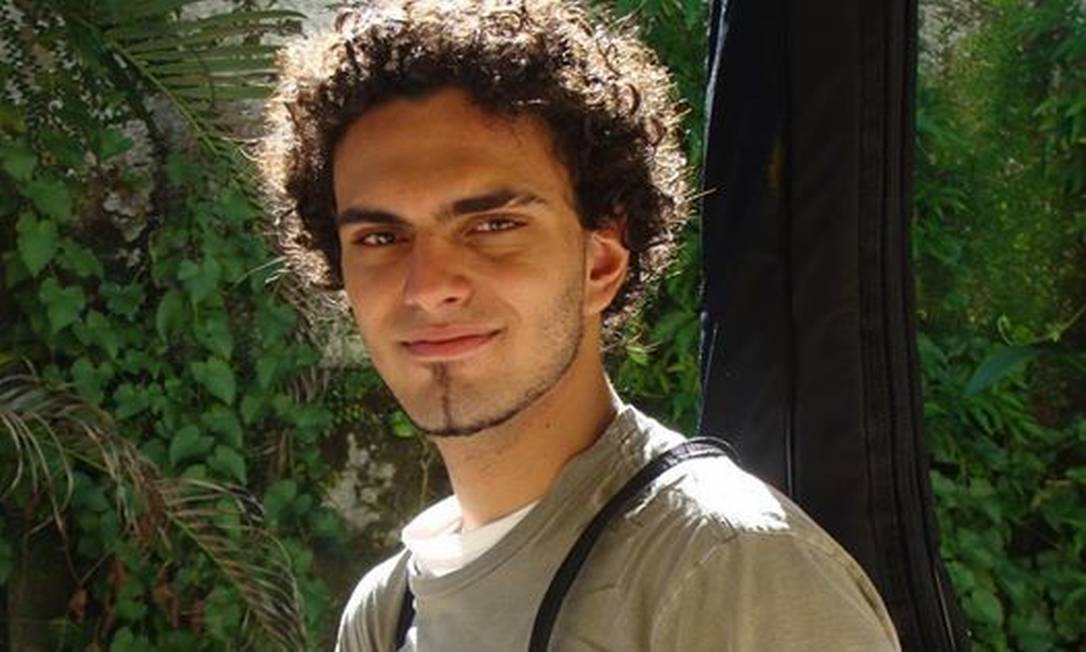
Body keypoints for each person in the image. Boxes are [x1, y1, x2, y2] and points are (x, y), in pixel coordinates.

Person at [258, 1, 902, 649]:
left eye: (492, 225)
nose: (427, 286)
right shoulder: (388, 610)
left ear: (600, 264)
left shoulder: (728, 572)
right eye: (380, 237)